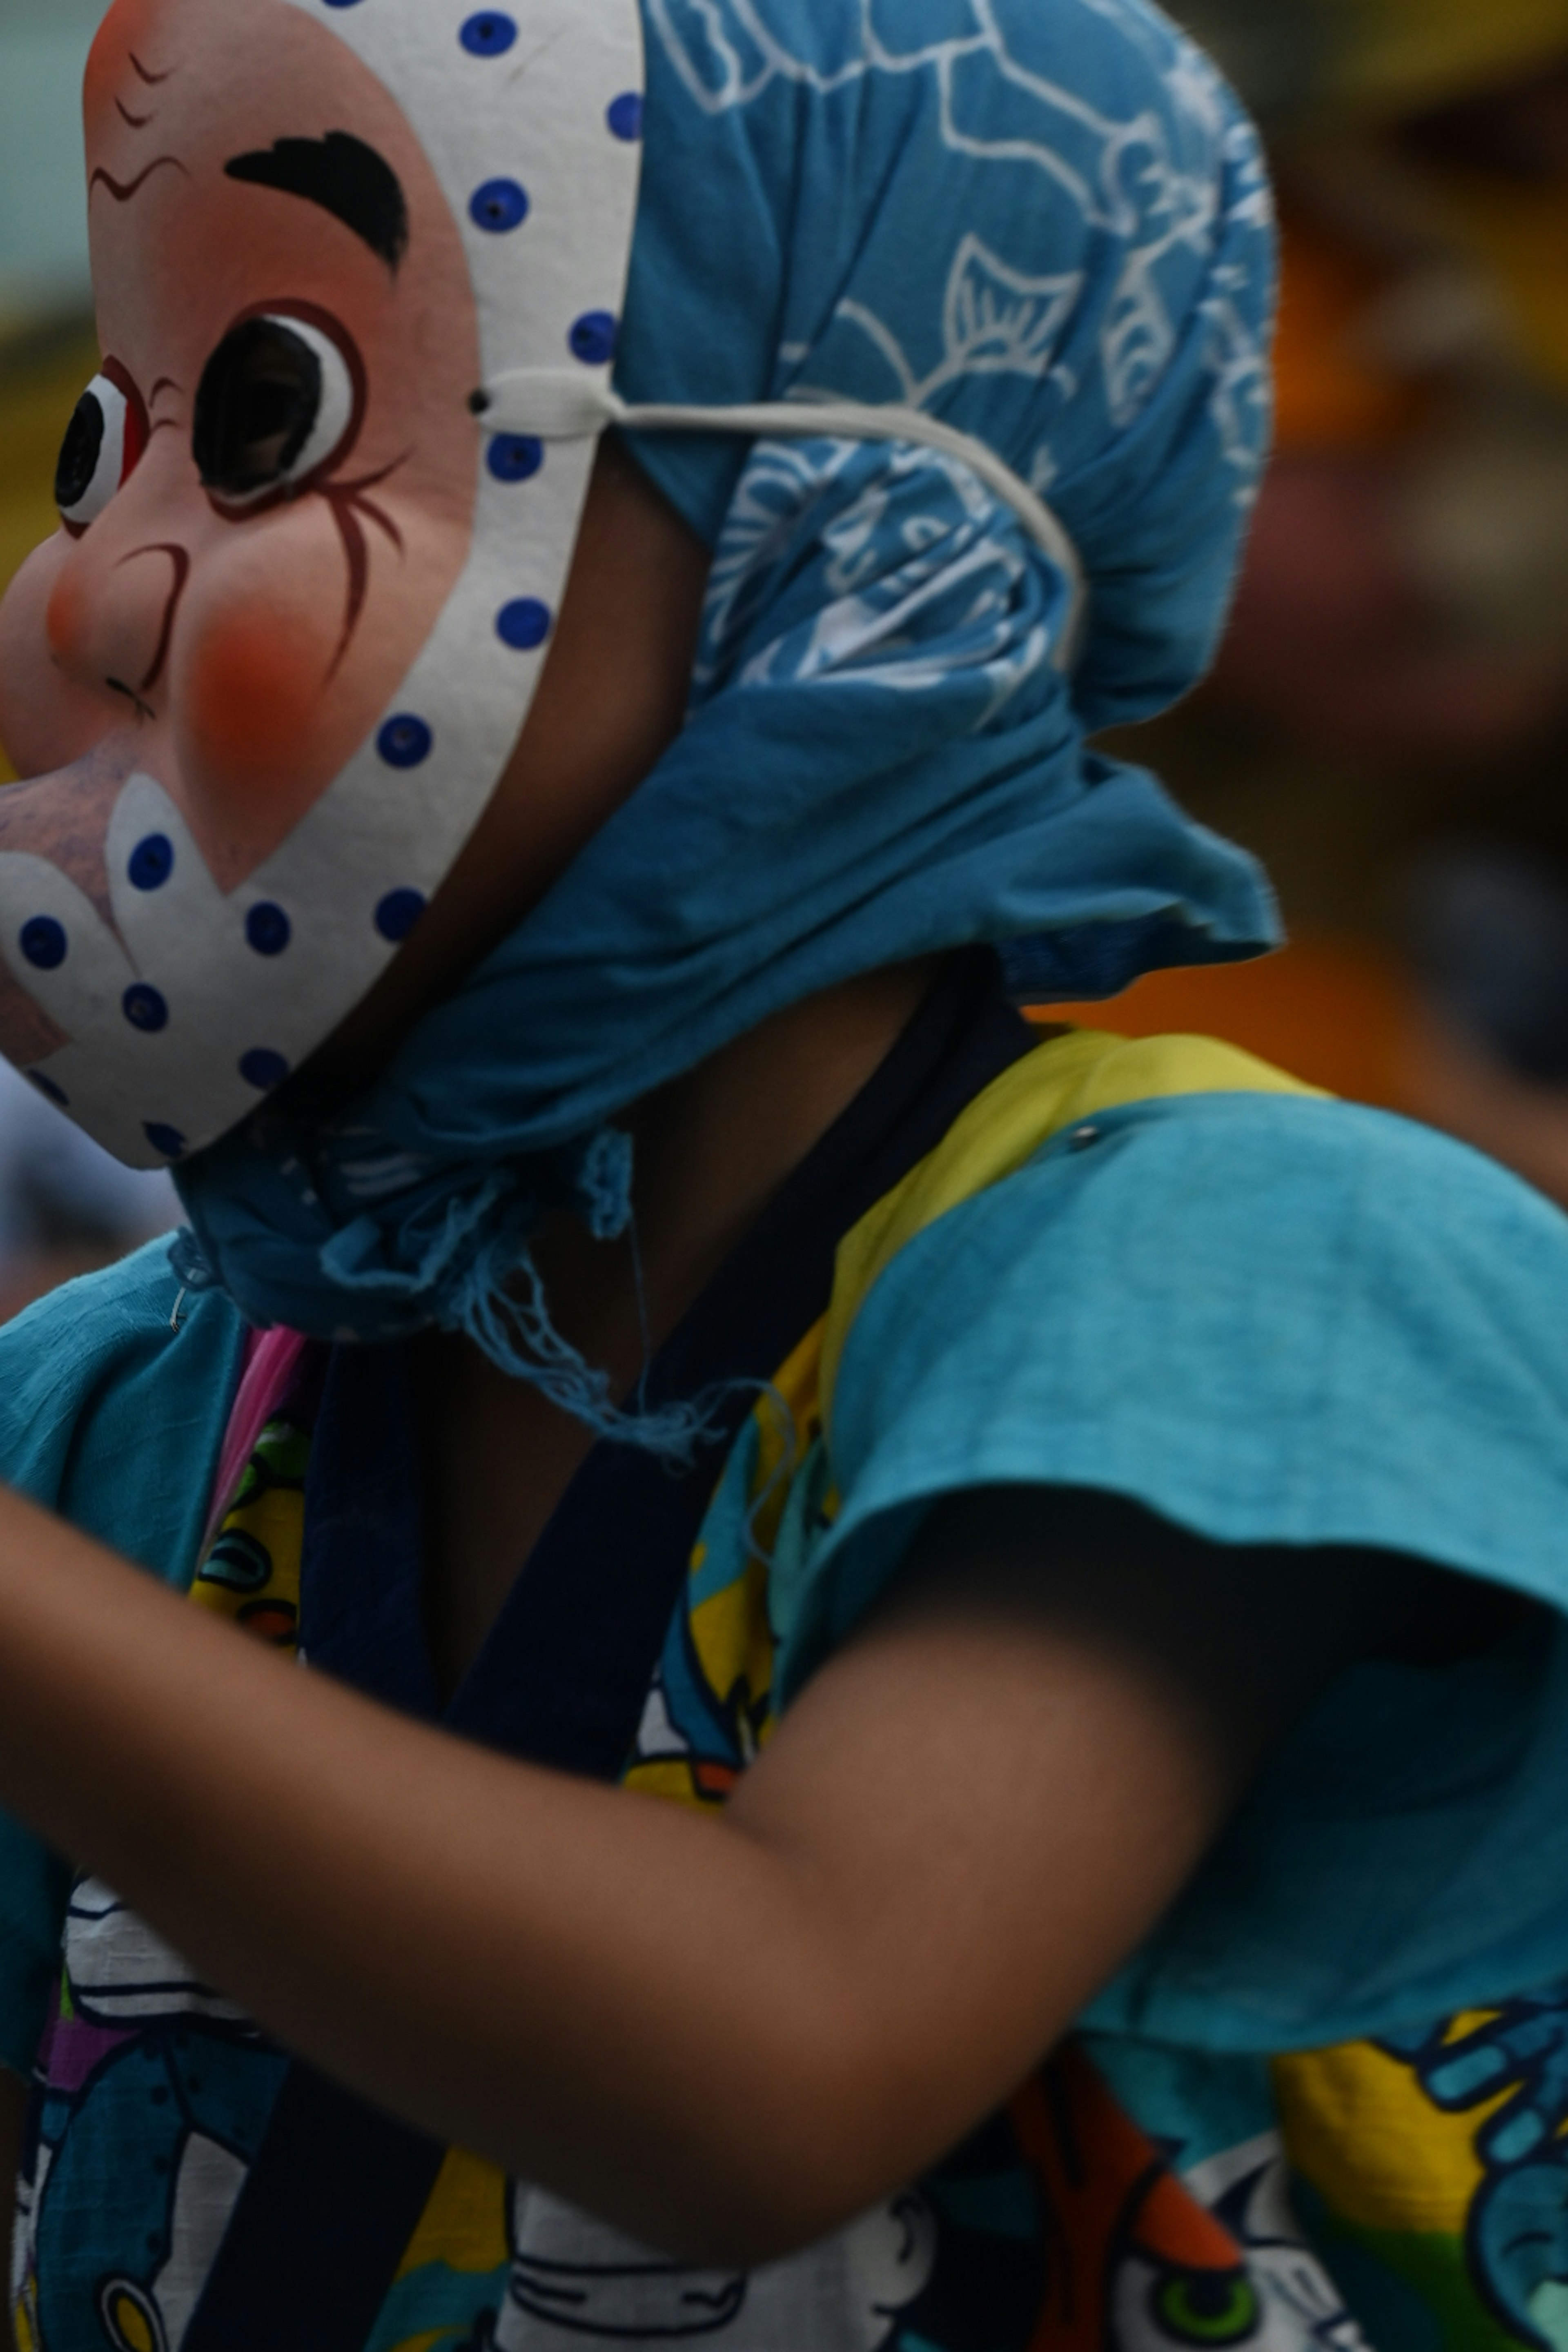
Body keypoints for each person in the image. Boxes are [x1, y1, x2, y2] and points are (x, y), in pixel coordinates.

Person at [0, 2, 1567, 2348]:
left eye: (267, 425)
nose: (86, 593)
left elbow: (787, 2056)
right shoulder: (117, 1412)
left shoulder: (1252, 1285)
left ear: (850, 545)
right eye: (96, 450)